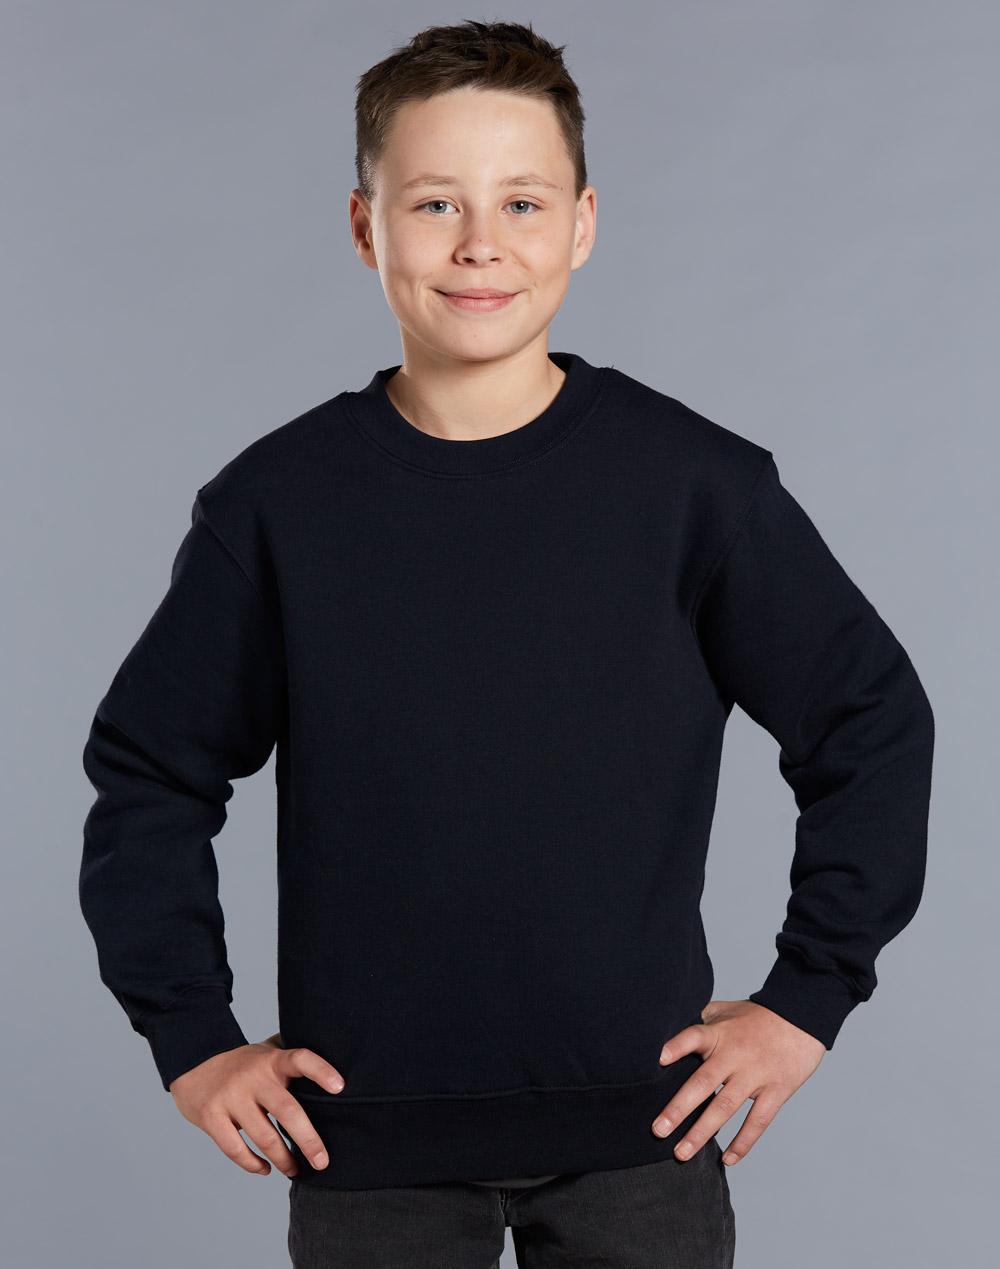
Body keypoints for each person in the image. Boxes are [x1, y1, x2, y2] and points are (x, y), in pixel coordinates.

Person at [79, 18, 935, 1269]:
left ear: (581, 225)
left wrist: (807, 997)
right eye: (435, 203)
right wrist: (193, 1038)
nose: (480, 243)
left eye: (521, 203)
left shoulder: (693, 487)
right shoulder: (277, 507)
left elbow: (871, 720)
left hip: (640, 1137)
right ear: (366, 227)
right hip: (367, 1143)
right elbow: (151, 772)